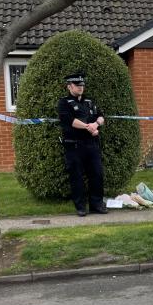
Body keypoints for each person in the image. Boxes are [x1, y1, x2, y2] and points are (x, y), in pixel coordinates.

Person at [58, 70, 107, 216]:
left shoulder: (89, 102)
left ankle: (96, 205)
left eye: (82, 85)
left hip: (91, 145)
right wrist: (89, 127)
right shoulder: (64, 103)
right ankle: (80, 207)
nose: (80, 87)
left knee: (97, 175)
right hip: (74, 145)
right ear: (69, 86)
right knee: (77, 177)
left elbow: (101, 116)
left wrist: (96, 124)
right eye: (77, 85)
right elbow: (70, 121)